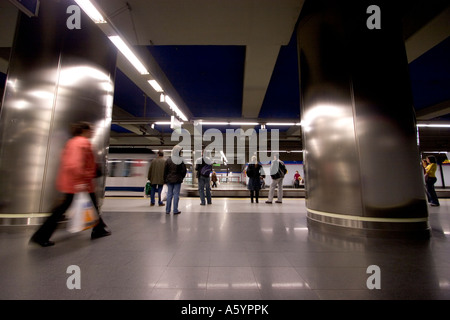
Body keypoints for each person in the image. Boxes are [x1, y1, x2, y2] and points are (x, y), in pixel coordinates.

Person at [30, 121, 111, 247]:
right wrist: (80, 181)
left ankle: (99, 228)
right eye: (91, 130)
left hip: (78, 183)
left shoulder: (73, 142)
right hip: (78, 184)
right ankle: (41, 235)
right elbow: (74, 164)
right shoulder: (81, 143)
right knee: (61, 210)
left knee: (92, 205)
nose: (93, 132)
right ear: (84, 130)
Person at [164, 145, 187, 214]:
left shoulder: (168, 160)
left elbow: (165, 171)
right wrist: (181, 177)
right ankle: (175, 210)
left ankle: (167, 210)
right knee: (176, 195)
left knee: (169, 194)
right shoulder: (180, 160)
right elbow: (184, 171)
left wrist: (165, 179)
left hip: (169, 180)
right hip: (177, 180)